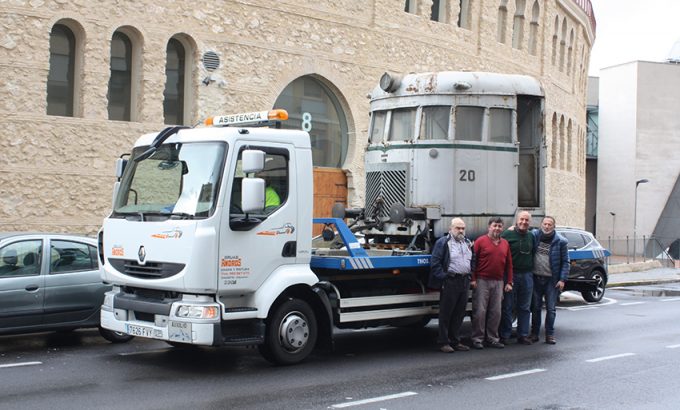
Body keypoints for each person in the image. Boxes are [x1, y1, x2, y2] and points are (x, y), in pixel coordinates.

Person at [429, 218, 473, 353]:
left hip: (464, 281)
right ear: (450, 229)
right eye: (457, 228)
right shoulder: (443, 242)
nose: (460, 231)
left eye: (462, 228)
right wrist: (444, 278)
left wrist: (471, 273)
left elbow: (473, 258)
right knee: (446, 313)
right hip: (450, 281)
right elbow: (435, 263)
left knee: (460, 313)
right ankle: (443, 342)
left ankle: (455, 340)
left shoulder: (467, 242)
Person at [471, 217, 513, 350]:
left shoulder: (505, 243)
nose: (497, 228)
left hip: (499, 281)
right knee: (480, 311)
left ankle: (493, 338)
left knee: (496, 312)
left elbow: (509, 265)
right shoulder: (480, 241)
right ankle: (477, 339)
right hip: (482, 280)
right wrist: (473, 279)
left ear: (502, 228)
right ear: (489, 227)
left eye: (500, 226)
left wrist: (509, 281)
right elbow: (473, 261)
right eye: (495, 225)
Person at [530, 216, 569, 345]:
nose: (547, 226)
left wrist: (562, 279)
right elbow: (521, 232)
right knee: (535, 308)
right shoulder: (534, 236)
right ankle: (534, 334)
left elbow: (565, 262)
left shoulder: (561, 241)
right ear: (541, 225)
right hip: (536, 278)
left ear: (554, 226)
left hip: (551, 281)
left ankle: (550, 335)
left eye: (549, 224)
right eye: (545, 224)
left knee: (551, 309)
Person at [499, 211, 535, 345]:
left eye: (526, 220)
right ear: (516, 220)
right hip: (511, 275)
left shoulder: (532, 236)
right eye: (521, 219)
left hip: (527, 276)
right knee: (507, 306)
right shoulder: (507, 235)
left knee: (525, 307)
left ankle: (523, 335)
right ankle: (505, 335)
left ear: (529, 222)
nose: (524, 222)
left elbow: (535, 252)